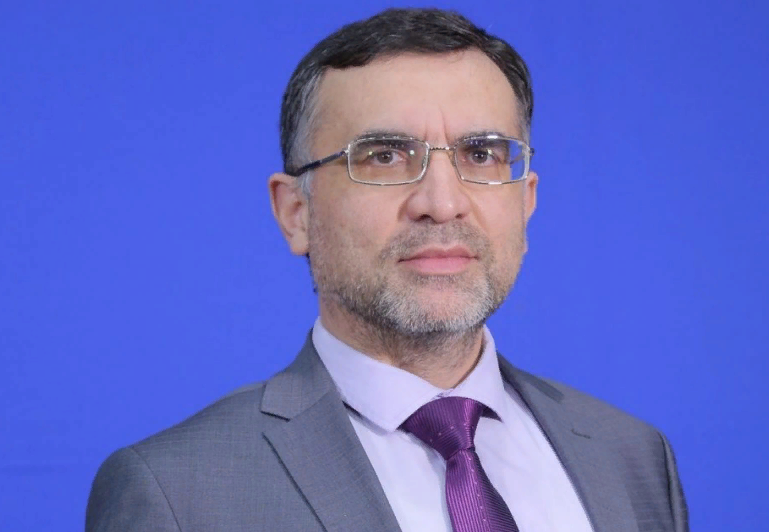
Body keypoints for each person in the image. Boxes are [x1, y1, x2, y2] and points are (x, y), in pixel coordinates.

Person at [86, 8, 688, 532]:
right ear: (295, 213)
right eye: (384, 156)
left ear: (526, 202)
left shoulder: (630, 457)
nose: (442, 203)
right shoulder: (179, 493)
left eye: (481, 154)